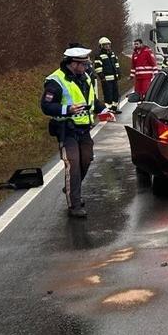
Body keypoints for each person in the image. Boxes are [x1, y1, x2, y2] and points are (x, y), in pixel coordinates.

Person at [42, 47, 113, 218]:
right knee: (73, 164)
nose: (87, 66)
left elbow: (92, 101)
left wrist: (104, 110)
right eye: (83, 63)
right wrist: (67, 109)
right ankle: (74, 204)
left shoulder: (85, 77)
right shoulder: (55, 81)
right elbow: (46, 106)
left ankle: (71, 187)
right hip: (66, 131)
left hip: (84, 129)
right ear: (73, 64)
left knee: (86, 160)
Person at [94, 37, 122, 112]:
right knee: (108, 95)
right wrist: (102, 77)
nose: (107, 46)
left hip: (114, 78)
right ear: (101, 46)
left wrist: (118, 72)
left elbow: (116, 64)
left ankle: (114, 108)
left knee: (116, 94)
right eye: (105, 45)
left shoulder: (112, 54)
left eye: (108, 44)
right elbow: (98, 68)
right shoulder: (99, 55)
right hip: (106, 79)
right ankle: (108, 110)